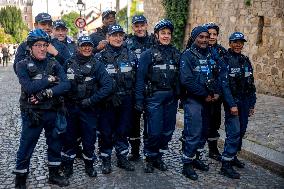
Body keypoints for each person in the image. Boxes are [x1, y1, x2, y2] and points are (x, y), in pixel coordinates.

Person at [13, 29, 70, 188]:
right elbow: (29, 87)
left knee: (55, 144)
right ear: (30, 47)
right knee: (26, 145)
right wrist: (50, 79)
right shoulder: (22, 65)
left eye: (45, 45)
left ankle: (54, 174)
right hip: (33, 113)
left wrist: (46, 92)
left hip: (53, 110)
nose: (42, 48)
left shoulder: (54, 63)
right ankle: (20, 179)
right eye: (38, 45)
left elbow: (66, 85)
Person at [61, 35, 113, 178]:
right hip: (70, 108)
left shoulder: (97, 65)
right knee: (69, 139)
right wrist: (63, 103)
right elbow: (61, 84)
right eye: (83, 45)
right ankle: (67, 166)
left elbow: (108, 85)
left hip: (88, 109)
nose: (87, 48)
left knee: (89, 139)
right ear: (78, 47)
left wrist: (92, 100)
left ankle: (89, 165)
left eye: (89, 45)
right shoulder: (68, 63)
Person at [179, 26, 225, 180]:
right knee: (194, 132)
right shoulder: (187, 56)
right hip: (194, 100)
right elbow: (186, 80)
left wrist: (217, 91)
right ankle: (187, 164)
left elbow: (220, 73)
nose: (205, 39)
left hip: (210, 101)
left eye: (206, 37)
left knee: (204, 131)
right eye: (201, 37)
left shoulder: (212, 54)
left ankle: (196, 158)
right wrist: (205, 94)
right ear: (194, 38)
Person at [135, 19, 180, 173]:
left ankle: (159, 156)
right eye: (163, 33)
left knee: (167, 131)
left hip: (171, 98)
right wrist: (139, 100)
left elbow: (180, 77)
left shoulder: (176, 53)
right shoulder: (148, 54)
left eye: (168, 33)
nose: (166, 36)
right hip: (153, 97)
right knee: (153, 131)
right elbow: (140, 78)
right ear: (156, 35)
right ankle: (150, 156)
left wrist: (180, 96)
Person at [95, 24, 137, 174]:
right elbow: (95, 81)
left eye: (120, 35)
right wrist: (105, 96)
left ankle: (122, 156)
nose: (118, 38)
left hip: (126, 99)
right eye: (114, 35)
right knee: (106, 131)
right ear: (108, 37)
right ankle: (105, 158)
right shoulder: (99, 57)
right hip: (107, 101)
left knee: (123, 129)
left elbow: (137, 78)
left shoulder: (131, 55)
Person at [220, 32, 256, 179]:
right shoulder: (225, 61)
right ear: (230, 43)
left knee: (241, 131)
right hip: (233, 102)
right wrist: (231, 104)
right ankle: (225, 164)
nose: (238, 45)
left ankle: (233, 156)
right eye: (235, 42)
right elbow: (224, 85)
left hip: (245, 102)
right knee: (233, 132)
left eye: (241, 42)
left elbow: (251, 84)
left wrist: (252, 103)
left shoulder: (246, 61)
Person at [125, 15, 155, 161]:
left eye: (142, 25)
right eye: (136, 26)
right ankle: (135, 151)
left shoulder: (154, 41)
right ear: (133, 27)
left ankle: (150, 151)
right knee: (134, 122)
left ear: (146, 25)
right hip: (133, 88)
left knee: (151, 122)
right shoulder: (127, 42)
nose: (139, 28)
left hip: (151, 88)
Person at [202, 22, 228, 161]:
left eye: (214, 34)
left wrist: (219, 93)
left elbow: (225, 73)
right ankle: (193, 149)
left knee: (214, 122)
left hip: (217, 95)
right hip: (202, 94)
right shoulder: (199, 49)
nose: (211, 37)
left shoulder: (222, 52)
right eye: (209, 34)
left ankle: (213, 149)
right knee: (199, 122)